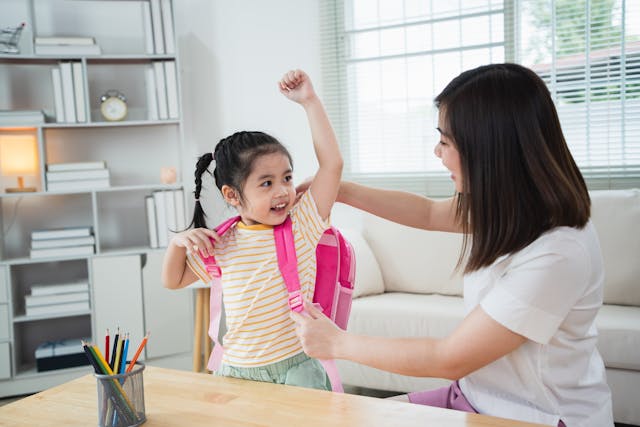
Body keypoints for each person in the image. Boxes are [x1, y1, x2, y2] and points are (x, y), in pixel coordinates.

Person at [290, 63, 613, 426]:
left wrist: (337, 343)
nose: (436, 151)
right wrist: (341, 191)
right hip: (475, 398)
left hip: (535, 416)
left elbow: (449, 358)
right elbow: (427, 213)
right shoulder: (513, 208)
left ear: (489, 149)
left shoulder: (559, 251)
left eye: (445, 141)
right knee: (348, 418)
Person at [161, 69, 342, 391]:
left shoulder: (304, 222)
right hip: (237, 371)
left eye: (287, 178)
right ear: (232, 195)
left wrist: (309, 102)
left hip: (297, 367)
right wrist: (177, 244)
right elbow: (172, 281)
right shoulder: (223, 242)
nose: (283, 191)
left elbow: (332, 165)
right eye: (267, 183)